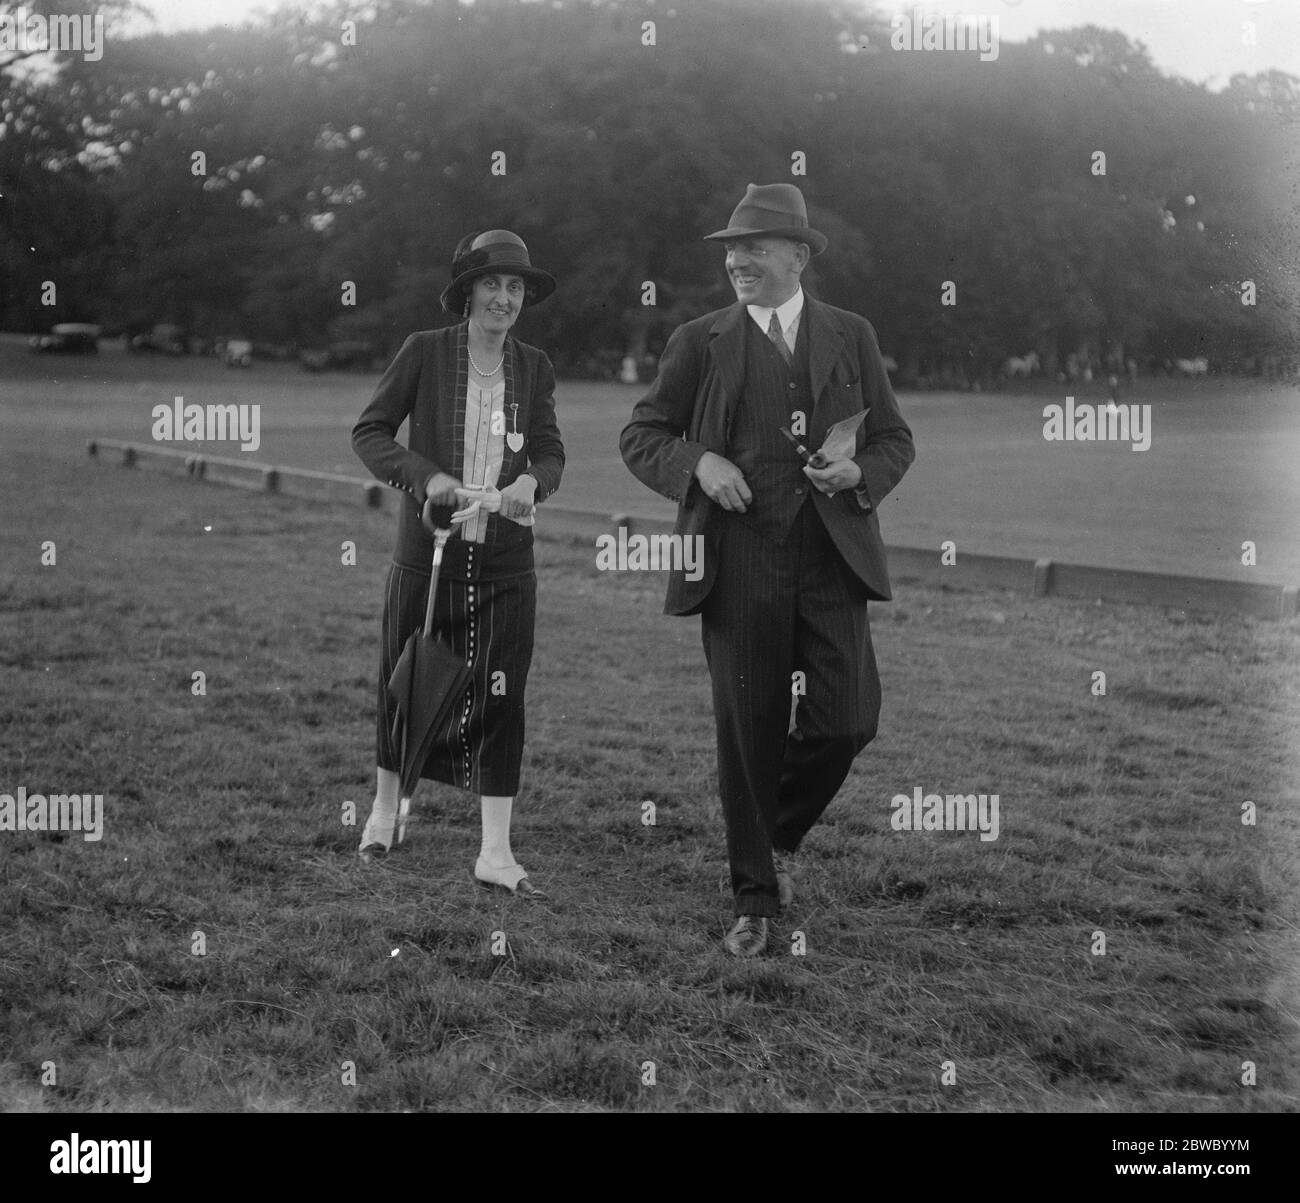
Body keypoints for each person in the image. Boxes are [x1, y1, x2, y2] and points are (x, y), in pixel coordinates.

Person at [620, 183, 915, 955]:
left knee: (849, 718)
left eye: (753, 246)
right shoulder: (698, 340)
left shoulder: (851, 334)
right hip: (737, 560)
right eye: (730, 249)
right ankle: (754, 895)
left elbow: (894, 440)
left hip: (831, 558)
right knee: (746, 734)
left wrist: (861, 476)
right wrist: (700, 461)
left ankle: (772, 832)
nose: (737, 260)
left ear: (798, 255)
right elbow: (642, 434)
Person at [351, 230, 564, 898]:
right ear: (467, 291)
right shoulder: (424, 352)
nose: (504, 298)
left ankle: (494, 851)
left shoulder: (534, 366)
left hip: (505, 561)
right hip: (429, 554)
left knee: (502, 698)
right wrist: (424, 476)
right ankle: (386, 813)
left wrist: (533, 484)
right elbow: (371, 433)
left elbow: (550, 449)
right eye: (492, 284)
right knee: (407, 681)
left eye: (516, 287)